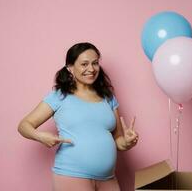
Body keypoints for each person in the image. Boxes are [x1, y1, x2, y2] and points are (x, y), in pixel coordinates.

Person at [18, 42, 139, 191]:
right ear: (70, 67)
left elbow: (119, 141)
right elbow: (24, 125)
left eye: (95, 63)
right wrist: (41, 136)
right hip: (71, 176)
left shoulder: (108, 97)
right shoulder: (59, 96)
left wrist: (127, 142)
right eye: (84, 64)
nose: (91, 69)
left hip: (108, 178)